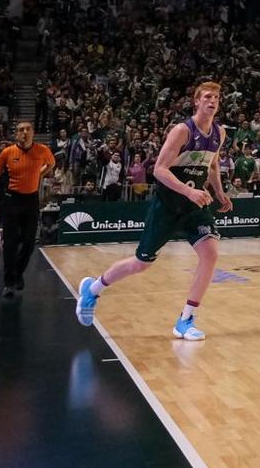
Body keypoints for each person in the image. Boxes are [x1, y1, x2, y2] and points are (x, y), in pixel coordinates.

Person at [78, 81, 233, 340]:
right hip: (168, 205)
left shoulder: (220, 133)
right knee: (141, 263)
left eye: (216, 97)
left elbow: (213, 164)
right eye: (207, 96)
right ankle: (93, 289)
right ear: (196, 101)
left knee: (211, 254)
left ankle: (185, 320)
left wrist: (219, 191)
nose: (213, 100)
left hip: (195, 206)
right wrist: (188, 191)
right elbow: (159, 170)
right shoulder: (182, 131)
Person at [0, 121, 55, 298]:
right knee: (10, 243)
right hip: (11, 200)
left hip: (31, 200)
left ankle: (18, 273)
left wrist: (38, 174)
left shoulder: (43, 150)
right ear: (16, 134)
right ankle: (9, 282)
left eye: (28, 129)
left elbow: (51, 164)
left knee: (29, 242)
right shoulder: (7, 152)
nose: (24, 132)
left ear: (33, 132)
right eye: (20, 130)